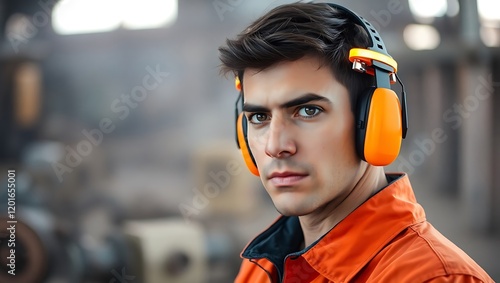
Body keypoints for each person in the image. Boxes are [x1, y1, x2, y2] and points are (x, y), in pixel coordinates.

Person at [218, 2, 494, 282]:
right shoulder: (259, 268)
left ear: (375, 122)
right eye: (259, 117)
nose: (275, 146)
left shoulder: (436, 278)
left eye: (308, 111)